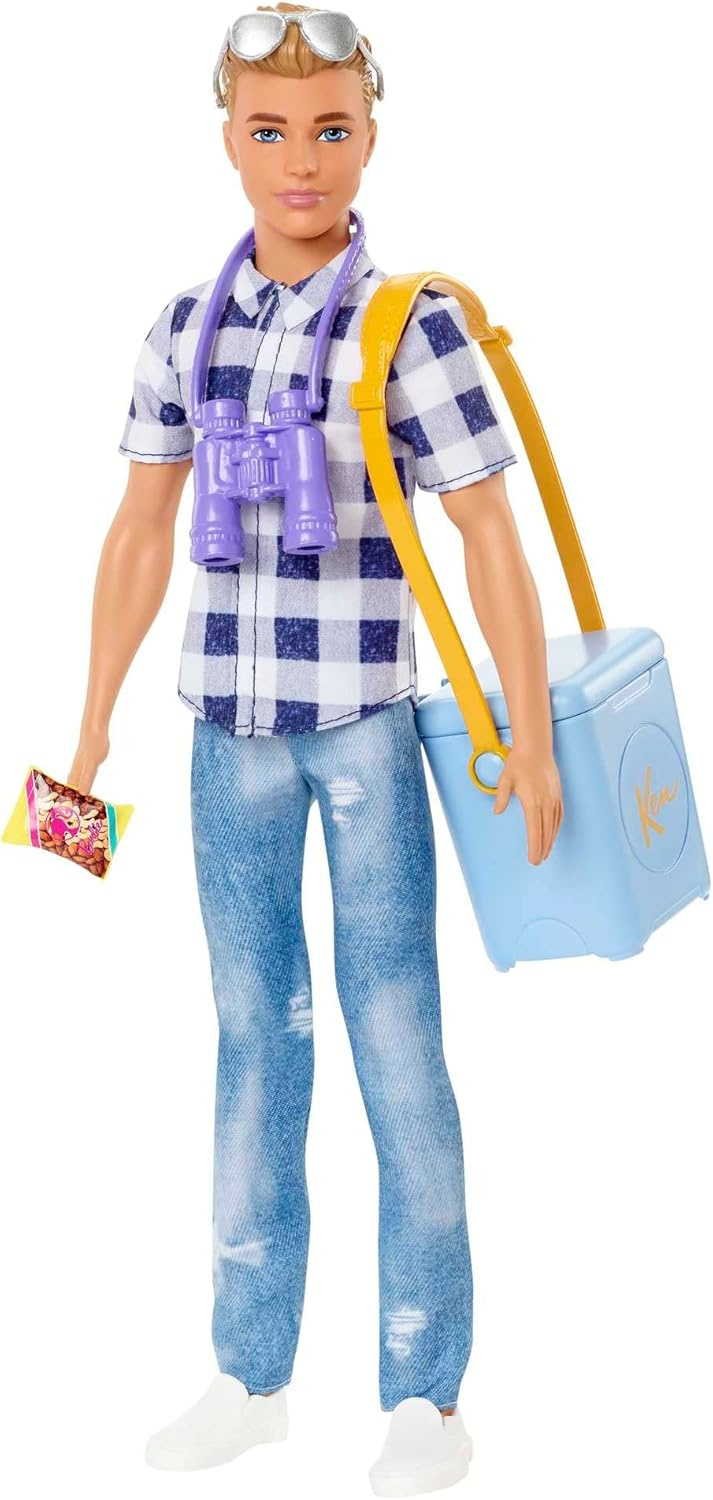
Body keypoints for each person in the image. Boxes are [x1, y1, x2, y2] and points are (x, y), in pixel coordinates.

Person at [69, 6, 563, 1494]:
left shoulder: (408, 323)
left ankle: (425, 1391)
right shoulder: (184, 325)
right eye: (271, 130)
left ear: (371, 135)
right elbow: (141, 526)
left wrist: (530, 736)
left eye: (332, 127)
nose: (302, 159)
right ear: (227, 138)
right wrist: (88, 725)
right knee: (251, 1044)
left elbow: (489, 528)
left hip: (362, 734)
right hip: (224, 738)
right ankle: (249, 1374)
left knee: (396, 1040)